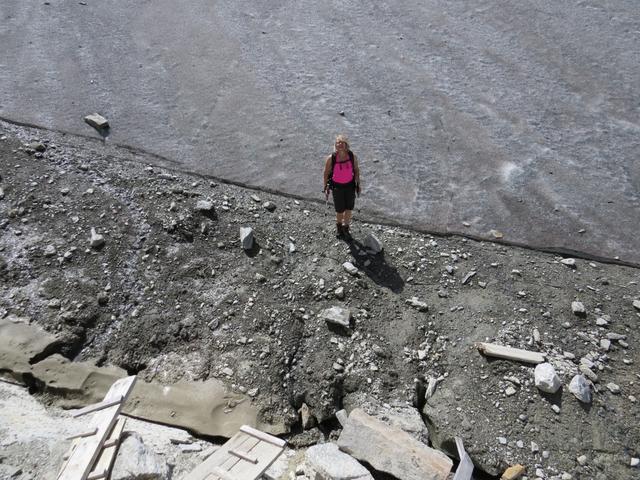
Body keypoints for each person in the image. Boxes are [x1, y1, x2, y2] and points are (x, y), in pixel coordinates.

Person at [323, 135, 361, 239]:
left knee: (349, 208)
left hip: (350, 186)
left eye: (342, 142)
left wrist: (358, 184)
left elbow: (356, 170)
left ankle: (346, 227)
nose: (339, 144)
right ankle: (339, 228)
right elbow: (326, 173)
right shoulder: (331, 158)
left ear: (346, 145)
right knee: (339, 210)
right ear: (335, 145)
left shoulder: (352, 156)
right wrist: (325, 186)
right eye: (337, 142)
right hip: (337, 188)